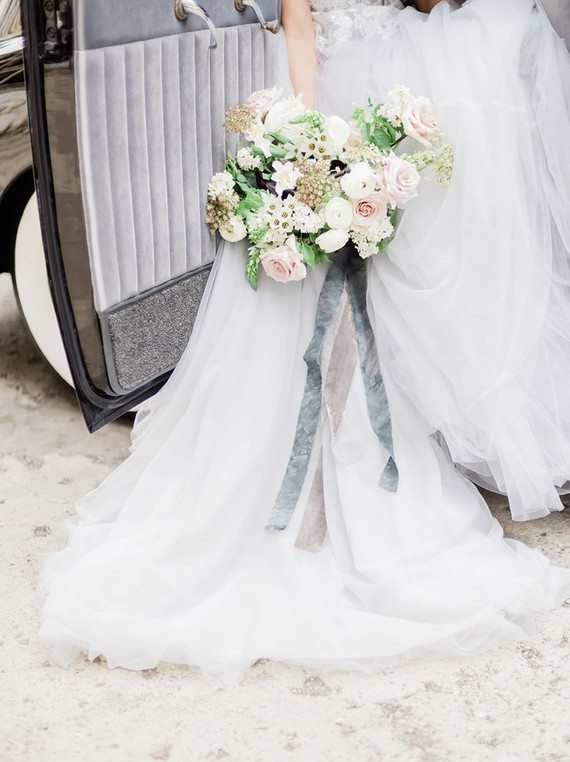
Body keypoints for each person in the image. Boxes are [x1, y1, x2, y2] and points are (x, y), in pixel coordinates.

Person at [39, 0, 570, 680]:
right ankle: (326, 481)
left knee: (497, 53)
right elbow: (298, 26)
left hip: (392, 63)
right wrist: (312, 143)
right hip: (333, 85)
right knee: (330, 306)